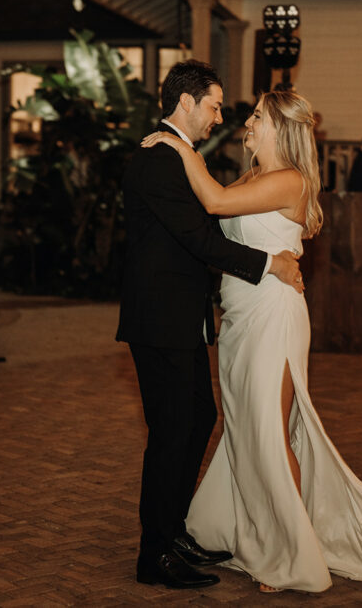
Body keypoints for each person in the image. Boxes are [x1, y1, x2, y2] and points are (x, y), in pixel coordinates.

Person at [141, 90, 362, 594]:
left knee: (270, 431)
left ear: (280, 128)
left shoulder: (290, 180)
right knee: (247, 429)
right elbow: (213, 216)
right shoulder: (254, 176)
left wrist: (179, 147)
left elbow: (214, 201)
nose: (248, 122)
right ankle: (251, 532)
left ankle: (292, 552)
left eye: (258, 116)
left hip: (274, 317)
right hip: (241, 318)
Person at [116, 60, 304, 591]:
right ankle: (154, 554)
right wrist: (270, 264)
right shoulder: (158, 159)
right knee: (171, 432)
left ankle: (174, 533)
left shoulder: (182, 156)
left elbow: (212, 215)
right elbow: (200, 240)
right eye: (216, 104)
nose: (221, 114)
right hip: (160, 320)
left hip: (181, 319)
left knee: (197, 419)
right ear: (186, 103)